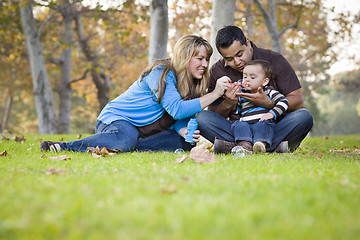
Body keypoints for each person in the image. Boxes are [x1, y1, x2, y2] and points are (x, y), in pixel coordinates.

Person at [40, 35, 229, 153]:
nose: (205, 64)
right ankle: (63, 146)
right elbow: (177, 109)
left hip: (143, 131)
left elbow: (177, 117)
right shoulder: (160, 72)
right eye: (200, 59)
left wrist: (182, 130)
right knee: (125, 138)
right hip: (116, 120)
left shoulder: (190, 83)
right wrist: (215, 93)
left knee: (185, 143)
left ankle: (129, 146)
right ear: (185, 57)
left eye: (207, 59)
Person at [196, 25, 313, 153]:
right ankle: (271, 148)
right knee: (201, 118)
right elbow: (214, 113)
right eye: (229, 59)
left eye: (239, 54)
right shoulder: (217, 71)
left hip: (272, 126)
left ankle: (237, 148)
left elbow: (297, 101)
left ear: (247, 42)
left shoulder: (274, 60)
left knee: (304, 116)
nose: (237, 62)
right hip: (239, 129)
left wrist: (267, 103)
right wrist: (228, 103)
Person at [229, 59, 289, 154]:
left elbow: (284, 102)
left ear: (264, 82)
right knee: (238, 124)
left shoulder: (269, 91)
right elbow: (237, 111)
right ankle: (245, 146)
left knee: (264, 125)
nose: (247, 80)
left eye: (252, 77)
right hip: (246, 125)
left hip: (262, 123)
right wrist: (234, 100)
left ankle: (260, 144)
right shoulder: (242, 94)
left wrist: (271, 113)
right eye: (245, 77)